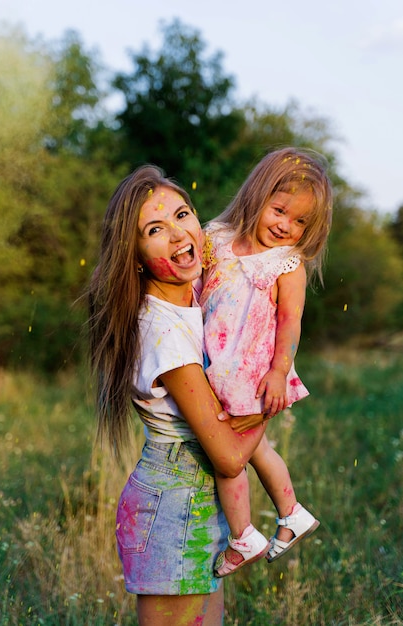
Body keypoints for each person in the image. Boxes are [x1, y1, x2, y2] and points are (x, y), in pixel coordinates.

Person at [87, 165, 271, 626]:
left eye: (182, 214)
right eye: (154, 229)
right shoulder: (164, 330)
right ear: (134, 255)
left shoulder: (191, 296)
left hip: (197, 498)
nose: (178, 234)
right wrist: (274, 388)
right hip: (171, 507)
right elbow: (229, 457)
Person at [198, 147, 333, 576]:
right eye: (280, 211)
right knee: (255, 450)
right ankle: (291, 514)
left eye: (300, 222)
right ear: (257, 195)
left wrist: (278, 372)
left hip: (252, 378)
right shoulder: (215, 237)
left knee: (228, 459)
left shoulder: (287, 264)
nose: (285, 226)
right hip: (211, 370)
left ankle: (243, 537)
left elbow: (291, 321)